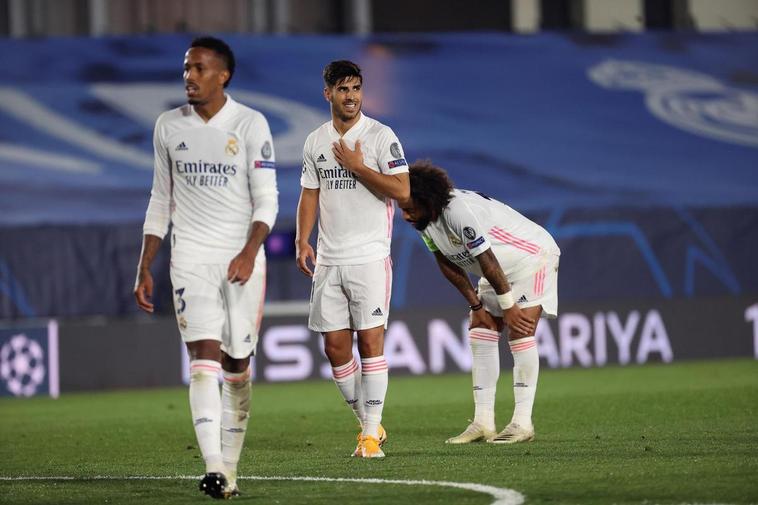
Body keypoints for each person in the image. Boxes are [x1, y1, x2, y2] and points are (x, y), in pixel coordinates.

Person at [133, 36, 278, 498]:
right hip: (190, 257)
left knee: (238, 365)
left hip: (240, 262)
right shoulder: (168, 126)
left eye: (198, 69)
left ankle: (230, 470)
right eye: (185, 68)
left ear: (223, 75)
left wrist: (250, 250)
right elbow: (161, 198)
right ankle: (214, 467)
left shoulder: (251, 124)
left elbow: (268, 200)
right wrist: (145, 264)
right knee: (203, 362)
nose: (189, 77)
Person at [399, 161, 560, 444]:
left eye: (409, 208)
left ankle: (522, 423)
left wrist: (509, 306)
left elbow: (487, 260)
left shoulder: (458, 211)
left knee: (520, 330)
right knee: (480, 330)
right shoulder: (425, 221)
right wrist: (476, 306)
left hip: (532, 258)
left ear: (428, 200)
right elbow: (445, 263)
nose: (405, 216)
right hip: (496, 268)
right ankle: (483, 423)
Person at [296, 60, 410, 458]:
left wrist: (359, 168)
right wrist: (302, 239)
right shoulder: (315, 141)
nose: (352, 97)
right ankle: (370, 424)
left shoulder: (381, 136)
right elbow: (310, 191)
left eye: (357, 88)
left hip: (369, 256)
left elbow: (402, 190)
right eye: (343, 90)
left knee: (371, 343)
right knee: (335, 349)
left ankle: (367, 437)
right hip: (329, 259)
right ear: (327, 93)